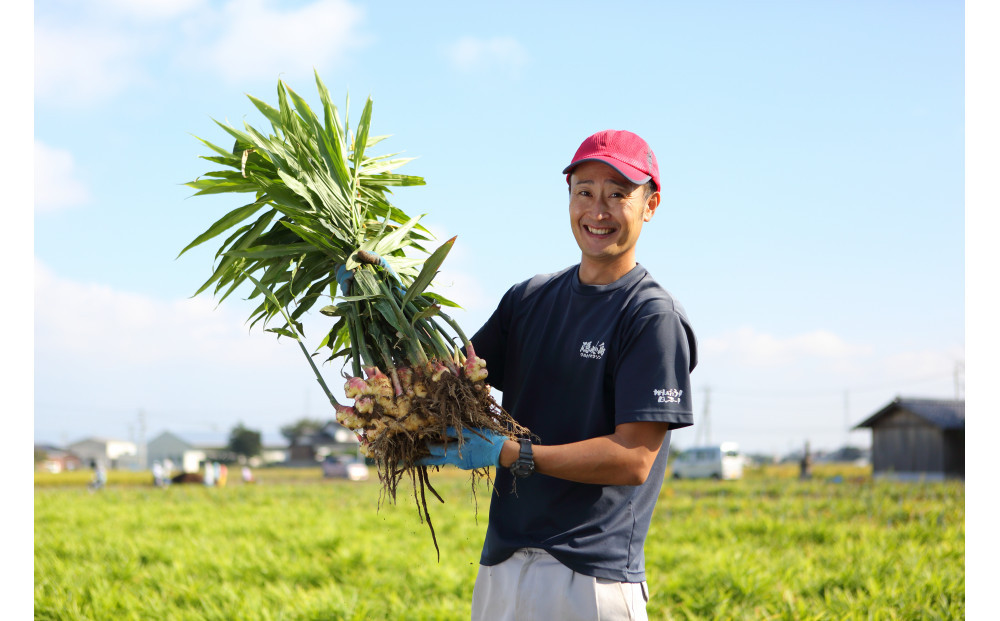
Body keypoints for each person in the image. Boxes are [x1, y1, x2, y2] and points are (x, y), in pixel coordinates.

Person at [421, 129, 697, 620]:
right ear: (568, 197)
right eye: (585, 192)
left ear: (650, 205)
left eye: (618, 194)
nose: (598, 211)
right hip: (502, 565)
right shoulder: (528, 300)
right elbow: (445, 381)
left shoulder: (651, 316)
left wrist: (511, 453)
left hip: (589, 576)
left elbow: (633, 458)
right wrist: (386, 304)